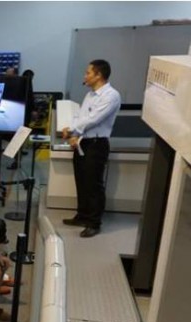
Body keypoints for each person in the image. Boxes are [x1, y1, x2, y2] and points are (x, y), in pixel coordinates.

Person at [62, 59, 121, 238]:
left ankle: (94, 223)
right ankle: (82, 216)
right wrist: (74, 134)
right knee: (81, 181)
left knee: (93, 185)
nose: (85, 76)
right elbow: (80, 116)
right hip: (83, 143)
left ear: (98, 75)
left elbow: (94, 119)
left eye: (88, 73)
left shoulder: (111, 96)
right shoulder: (90, 95)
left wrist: (72, 130)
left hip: (97, 145)